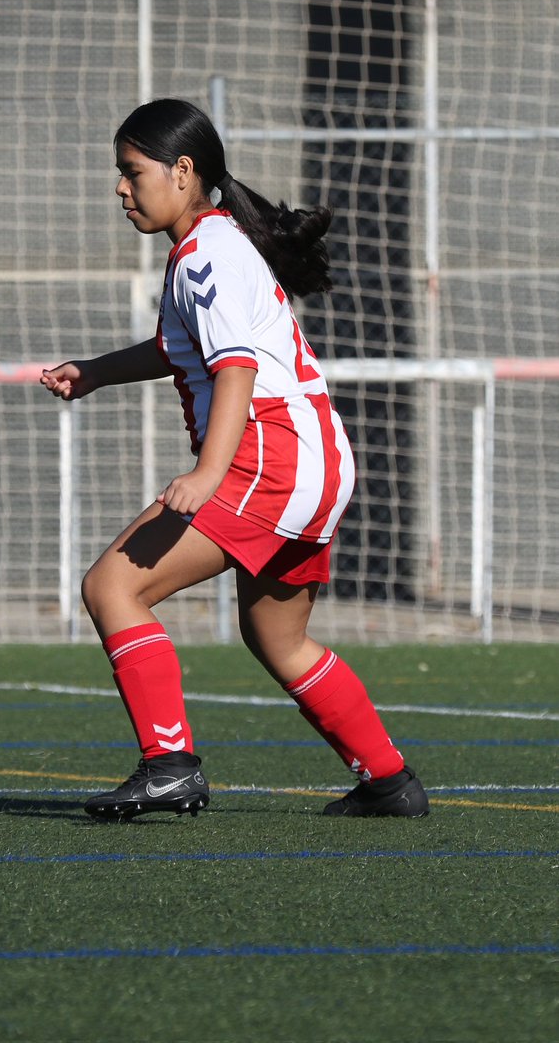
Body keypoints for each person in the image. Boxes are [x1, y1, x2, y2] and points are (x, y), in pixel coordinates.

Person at [41, 98, 429, 823]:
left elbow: (236, 368)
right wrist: (94, 371)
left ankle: (169, 766)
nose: (120, 188)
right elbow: (177, 350)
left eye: (132, 171)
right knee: (277, 638)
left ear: (182, 172)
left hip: (272, 460)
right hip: (316, 461)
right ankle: (388, 782)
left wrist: (207, 475)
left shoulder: (207, 255)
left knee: (113, 588)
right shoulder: (211, 244)